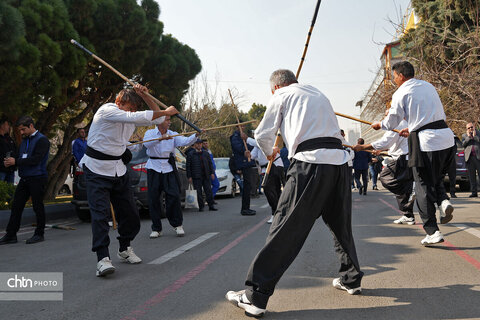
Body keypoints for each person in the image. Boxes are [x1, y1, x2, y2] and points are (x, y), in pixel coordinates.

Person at [226, 69, 363, 317]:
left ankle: (255, 296)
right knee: (341, 224)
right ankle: (351, 279)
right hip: (339, 165)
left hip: (310, 164)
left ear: (275, 87)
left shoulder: (281, 95)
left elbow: (263, 134)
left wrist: (270, 152)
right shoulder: (318, 94)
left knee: (285, 228)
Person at [79, 84, 179, 277]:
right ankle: (102, 259)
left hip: (118, 170)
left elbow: (156, 116)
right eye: (128, 107)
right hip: (96, 170)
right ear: (118, 102)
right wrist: (166, 111)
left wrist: (146, 95)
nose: (131, 111)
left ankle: (124, 248)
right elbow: (137, 117)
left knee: (132, 215)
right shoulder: (107, 110)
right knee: (100, 215)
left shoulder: (131, 116)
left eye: (134, 108)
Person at [371, 61, 455, 246]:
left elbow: (391, 121)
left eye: (393, 76)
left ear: (401, 75)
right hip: (447, 138)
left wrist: (379, 124)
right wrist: (412, 127)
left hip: (426, 142)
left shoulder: (401, 92)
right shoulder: (428, 86)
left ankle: (432, 232)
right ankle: (443, 202)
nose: (393, 80)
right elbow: (431, 116)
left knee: (422, 186)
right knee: (436, 179)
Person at [143, 116, 198, 238]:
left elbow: (185, 141)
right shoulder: (150, 133)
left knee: (173, 196)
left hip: (168, 168)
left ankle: (178, 225)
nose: (169, 122)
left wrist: (196, 135)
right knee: (154, 199)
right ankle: (156, 228)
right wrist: (161, 138)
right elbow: (147, 144)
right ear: (159, 121)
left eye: (169, 120)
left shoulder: (173, 134)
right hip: (154, 167)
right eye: (167, 120)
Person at [354, 118, 415, 225]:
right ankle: (408, 215)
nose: (386, 118)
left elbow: (385, 142)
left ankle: (413, 190)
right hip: (405, 158)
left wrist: (363, 147)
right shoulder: (404, 124)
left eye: (388, 115)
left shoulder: (397, 123)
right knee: (402, 187)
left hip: (402, 160)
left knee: (385, 178)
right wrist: (381, 150)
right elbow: (393, 144)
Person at [0, 116, 50, 245]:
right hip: (25, 178)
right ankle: (11, 234)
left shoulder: (42, 140)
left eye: (23, 130)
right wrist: (11, 163)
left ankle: (39, 234)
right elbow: (19, 157)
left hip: (38, 177)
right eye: (20, 130)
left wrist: (16, 161)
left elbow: (36, 160)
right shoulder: (24, 141)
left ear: (31, 126)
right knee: (16, 206)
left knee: (37, 206)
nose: (21, 133)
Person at [248, 137, 284, 224]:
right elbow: (252, 155)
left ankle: (276, 213)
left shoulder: (266, 138)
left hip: (274, 164)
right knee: (271, 191)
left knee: (270, 189)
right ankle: (278, 213)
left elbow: (260, 142)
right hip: (266, 168)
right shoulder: (257, 144)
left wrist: (247, 139)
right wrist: (248, 155)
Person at [230, 126, 256, 216]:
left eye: (244, 126)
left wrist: (247, 140)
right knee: (246, 186)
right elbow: (240, 148)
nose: (243, 127)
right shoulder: (235, 137)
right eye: (241, 126)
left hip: (247, 163)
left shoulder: (242, 136)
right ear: (237, 126)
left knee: (248, 186)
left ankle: (247, 207)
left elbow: (251, 147)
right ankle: (245, 208)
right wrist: (245, 143)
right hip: (243, 163)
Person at [186, 139, 217, 212]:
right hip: (196, 176)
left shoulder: (205, 153)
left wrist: (212, 173)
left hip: (206, 175)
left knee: (208, 191)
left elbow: (210, 164)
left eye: (200, 144)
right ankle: (201, 206)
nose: (199, 145)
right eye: (197, 144)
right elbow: (188, 166)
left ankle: (211, 205)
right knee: (198, 192)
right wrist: (189, 176)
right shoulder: (191, 154)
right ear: (195, 145)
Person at [462, 122, 480, 197]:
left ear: (474, 127)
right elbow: (463, 144)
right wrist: (469, 137)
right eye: (468, 128)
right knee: (471, 176)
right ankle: (474, 192)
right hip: (469, 158)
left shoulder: (478, 133)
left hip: (478, 157)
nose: (470, 129)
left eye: (471, 127)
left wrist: (475, 136)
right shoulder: (464, 135)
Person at [0, 116, 16, 184]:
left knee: (9, 192)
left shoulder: (9, 138)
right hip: (1, 170)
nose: (8, 126)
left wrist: (14, 161)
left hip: (10, 170)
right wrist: (2, 164)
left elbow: (15, 151)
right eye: (7, 124)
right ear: (2, 125)